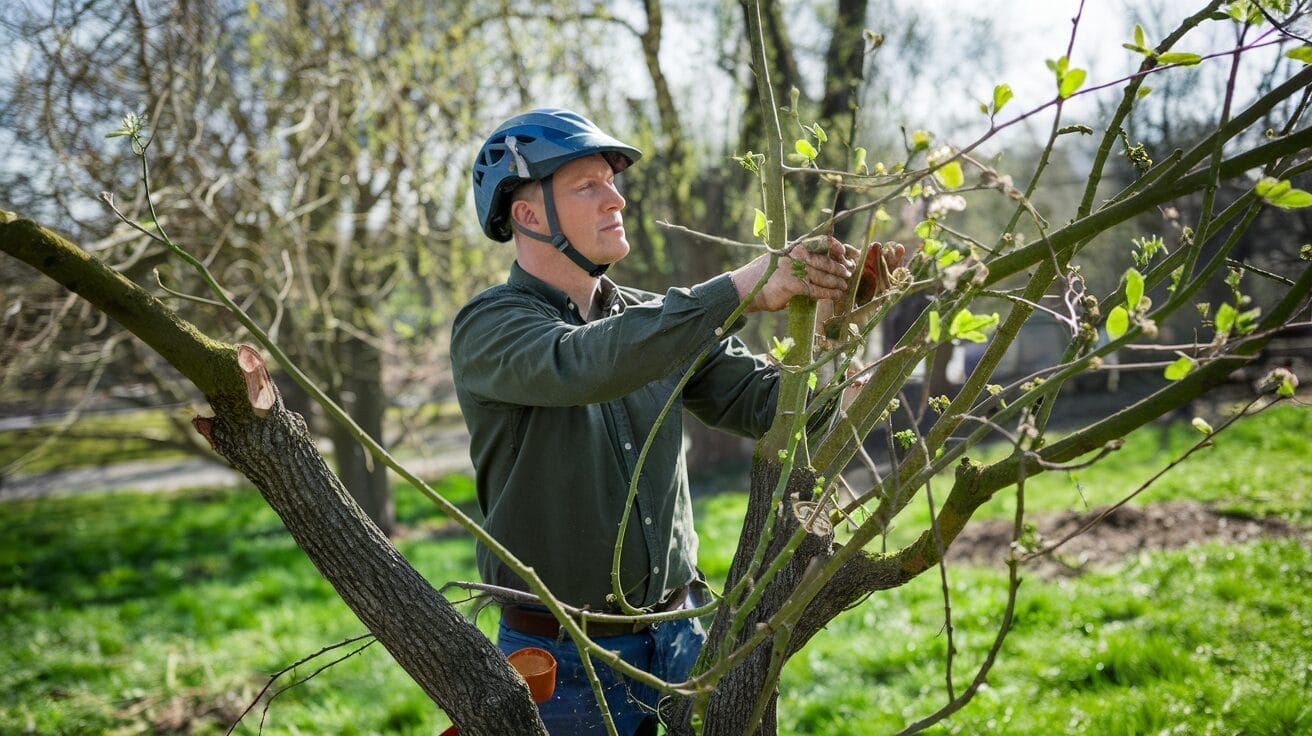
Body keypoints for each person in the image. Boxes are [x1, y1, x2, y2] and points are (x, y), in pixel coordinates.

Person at [450, 108, 859, 734]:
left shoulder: (653, 322)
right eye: (587, 185)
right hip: (562, 659)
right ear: (528, 216)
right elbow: (585, 363)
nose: (616, 198)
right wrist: (746, 285)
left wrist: (834, 341)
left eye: (613, 182)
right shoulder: (489, 327)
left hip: (683, 630)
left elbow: (767, 409)